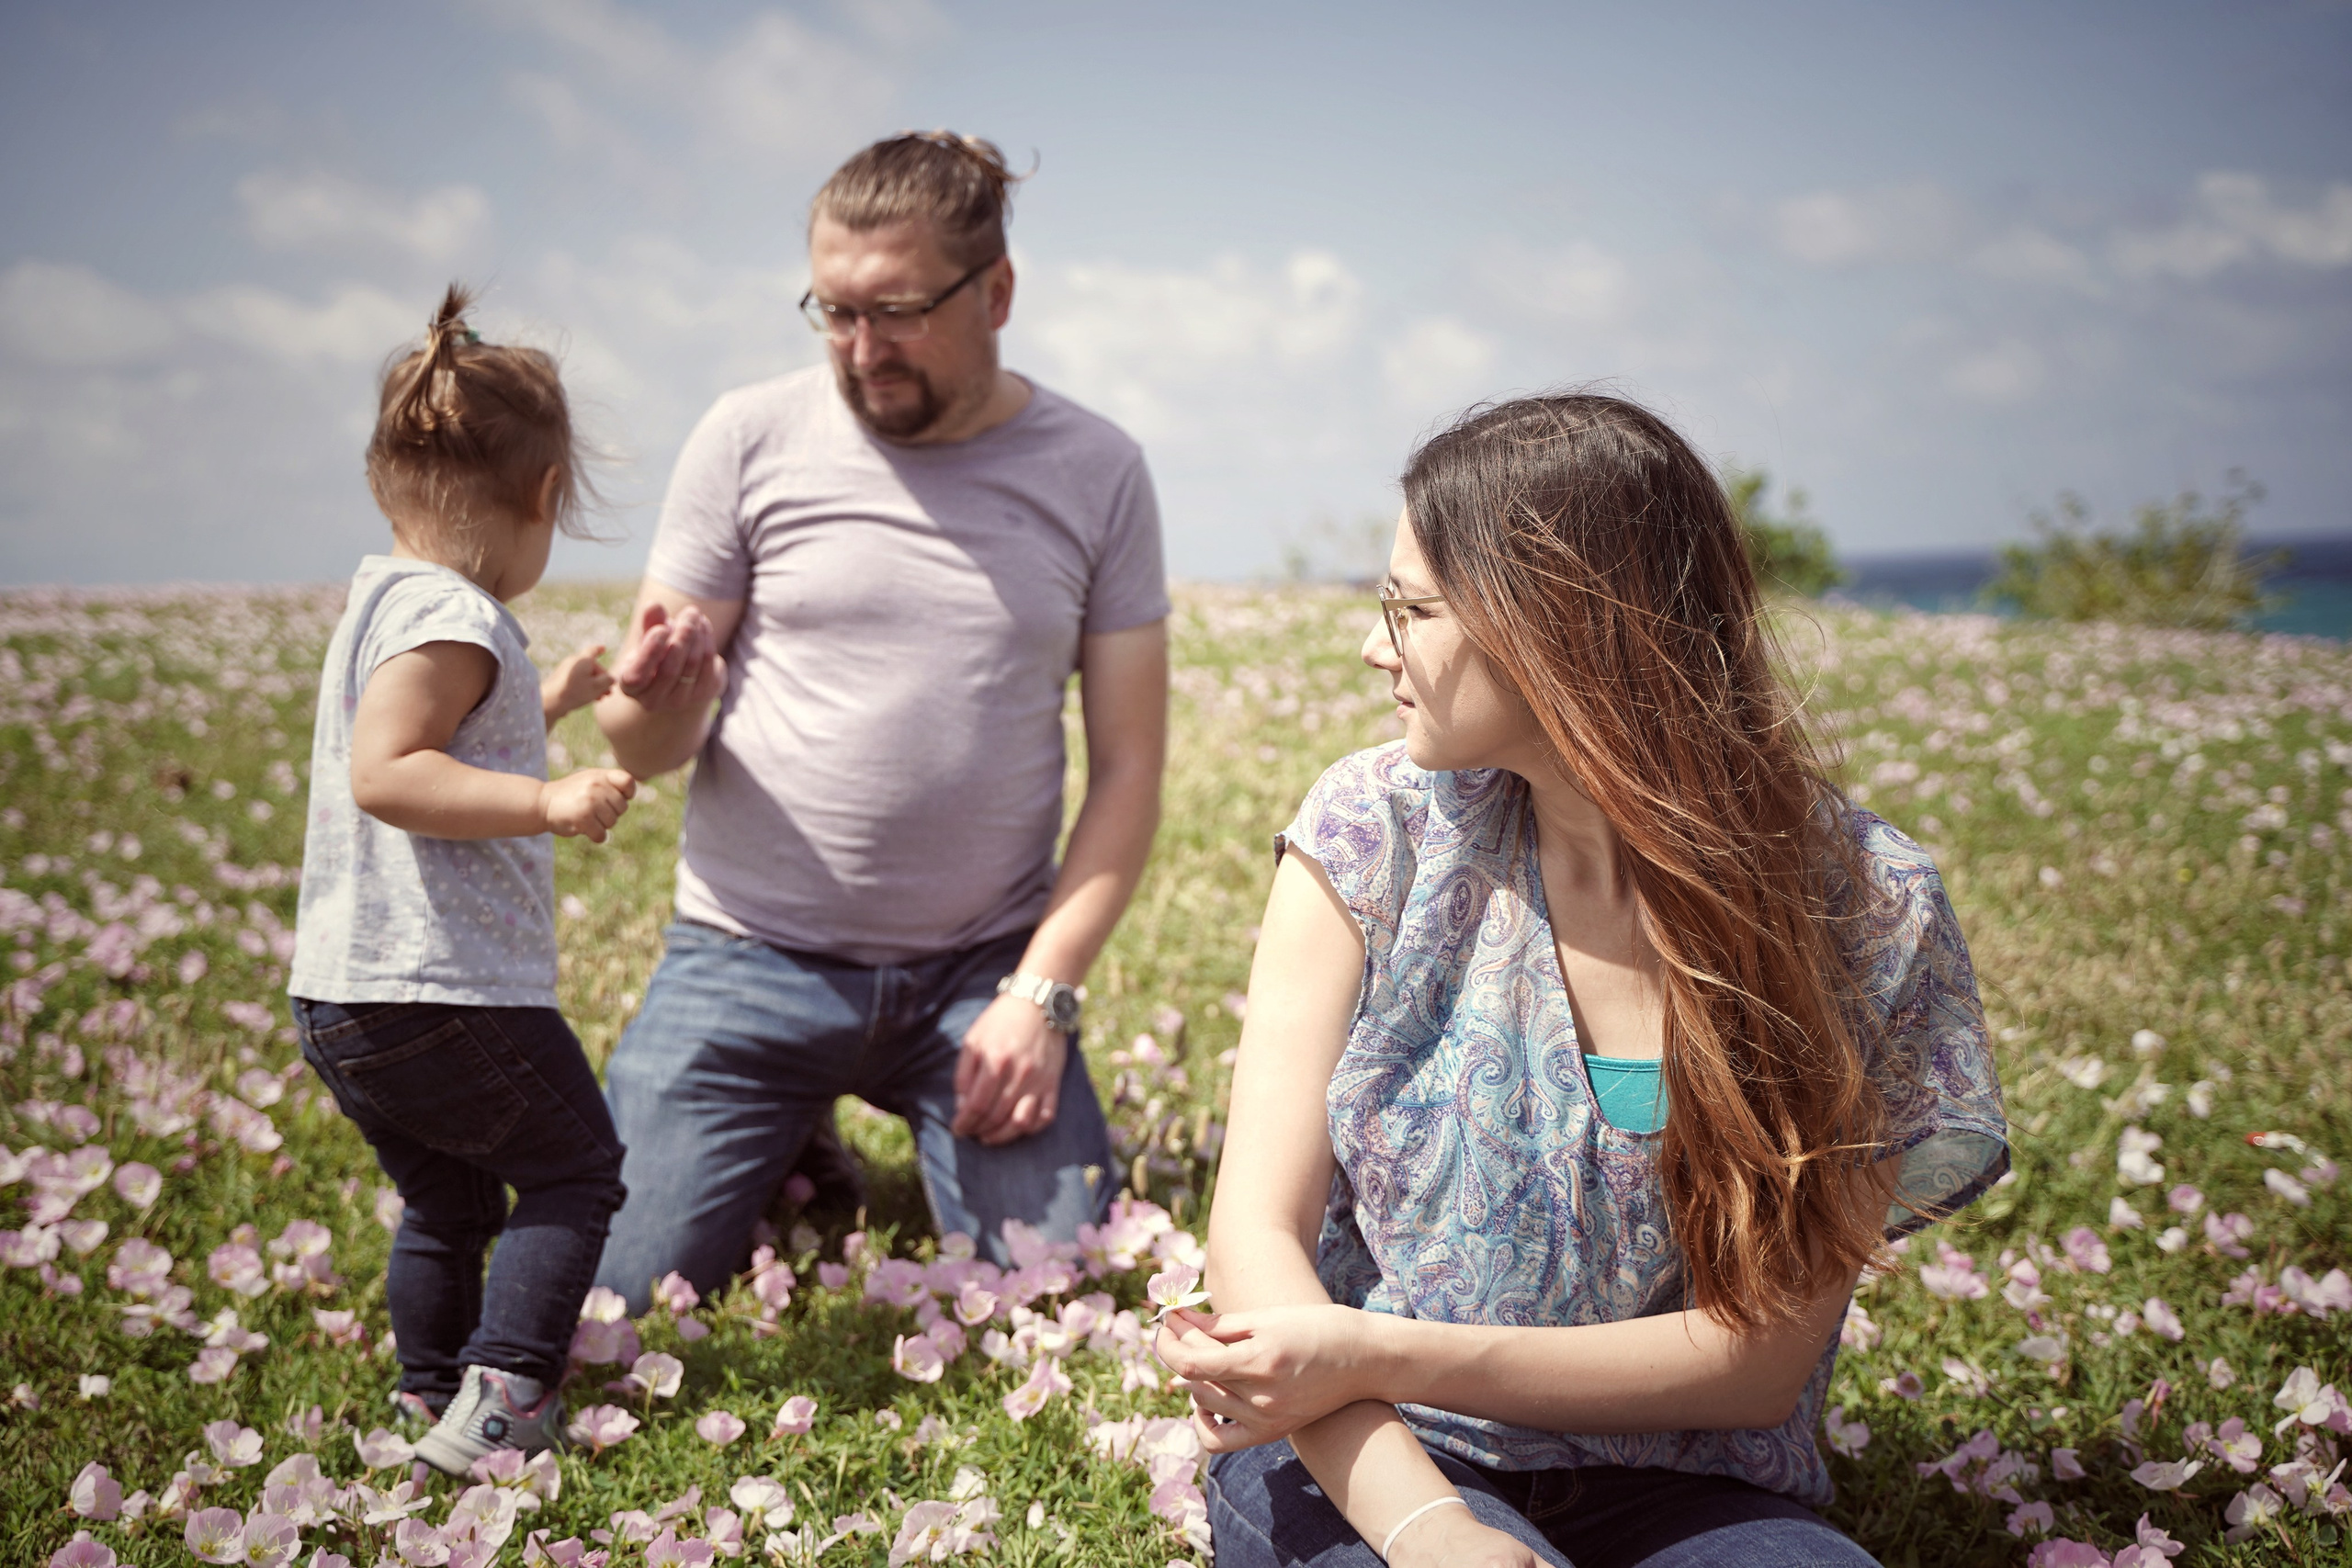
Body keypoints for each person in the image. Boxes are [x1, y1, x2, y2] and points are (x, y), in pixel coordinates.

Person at [1157, 393, 2007, 1568]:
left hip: (1691, 1481)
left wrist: (1370, 1345)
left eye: (1410, 612)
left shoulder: (1863, 907)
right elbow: (1255, 1234)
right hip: (1371, 1447)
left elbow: (1754, 1365)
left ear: (1556, 633)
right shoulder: (1370, 835)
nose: (1372, 648)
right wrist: (1426, 1527)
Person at [590, 131, 1169, 1312]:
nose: (862, 352)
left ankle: (794, 1136)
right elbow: (642, 750)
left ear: (996, 290)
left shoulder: (1099, 470)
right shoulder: (745, 439)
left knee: (1058, 1296)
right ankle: (781, 1122)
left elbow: (1130, 771)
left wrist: (1039, 996)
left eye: (897, 311)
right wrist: (655, 704)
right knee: (608, 1297)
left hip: (978, 972)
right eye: (835, 312)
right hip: (747, 960)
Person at [288, 286, 636, 1473]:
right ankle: (504, 1403)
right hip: (441, 989)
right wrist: (546, 799)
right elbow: (393, 771)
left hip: (349, 992)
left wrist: (556, 703)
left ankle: (423, 1393)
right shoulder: (454, 613)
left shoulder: (386, 602)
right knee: (576, 1164)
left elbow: (452, 735)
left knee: (449, 1202)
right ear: (545, 497)